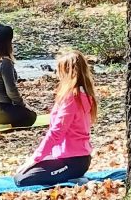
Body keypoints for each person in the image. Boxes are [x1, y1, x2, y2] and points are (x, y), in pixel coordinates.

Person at [14, 51, 98, 187]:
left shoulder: (73, 98)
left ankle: (74, 178)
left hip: (73, 161)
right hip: (67, 157)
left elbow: (56, 132)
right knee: (21, 174)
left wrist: (35, 158)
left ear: (68, 72)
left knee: (22, 180)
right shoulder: (83, 95)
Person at [0, 24, 39, 128]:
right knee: (31, 116)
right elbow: (11, 90)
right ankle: (0, 125)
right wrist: (23, 105)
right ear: (7, 43)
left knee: (21, 112)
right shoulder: (5, 62)